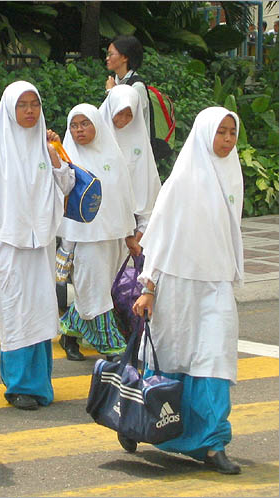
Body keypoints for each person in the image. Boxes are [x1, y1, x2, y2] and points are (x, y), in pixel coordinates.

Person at [130, 107, 244, 475]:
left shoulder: (232, 174)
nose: (227, 140)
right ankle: (143, 424)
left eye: (231, 132)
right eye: (220, 132)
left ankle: (212, 444)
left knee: (215, 360)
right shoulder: (183, 180)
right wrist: (148, 287)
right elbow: (160, 236)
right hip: (176, 286)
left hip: (216, 284)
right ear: (205, 134)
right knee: (172, 360)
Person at [0, 81, 75, 411]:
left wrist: (55, 158)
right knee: (15, 310)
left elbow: (66, 184)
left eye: (34, 105)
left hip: (40, 244)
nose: (28, 111)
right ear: (10, 109)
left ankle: (40, 384)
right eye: (22, 105)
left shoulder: (45, 147)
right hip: (7, 244)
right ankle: (18, 385)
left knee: (40, 309)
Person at [57, 104, 137, 362]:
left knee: (99, 289)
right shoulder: (67, 158)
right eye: (74, 125)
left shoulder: (113, 156)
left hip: (113, 236)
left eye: (85, 124)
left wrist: (129, 233)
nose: (79, 130)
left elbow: (124, 197)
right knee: (94, 290)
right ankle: (110, 344)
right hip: (84, 239)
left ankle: (69, 332)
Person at [100, 84, 161, 240]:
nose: (124, 120)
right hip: (100, 222)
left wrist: (143, 226)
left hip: (132, 225)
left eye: (129, 115)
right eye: (119, 113)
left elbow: (147, 182)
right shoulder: (97, 139)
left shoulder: (140, 142)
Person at [104, 35, 151, 137]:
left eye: (111, 54)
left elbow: (124, 119)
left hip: (136, 147)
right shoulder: (115, 81)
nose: (107, 58)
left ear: (125, 57)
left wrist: (110, 92)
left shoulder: (137, 87)